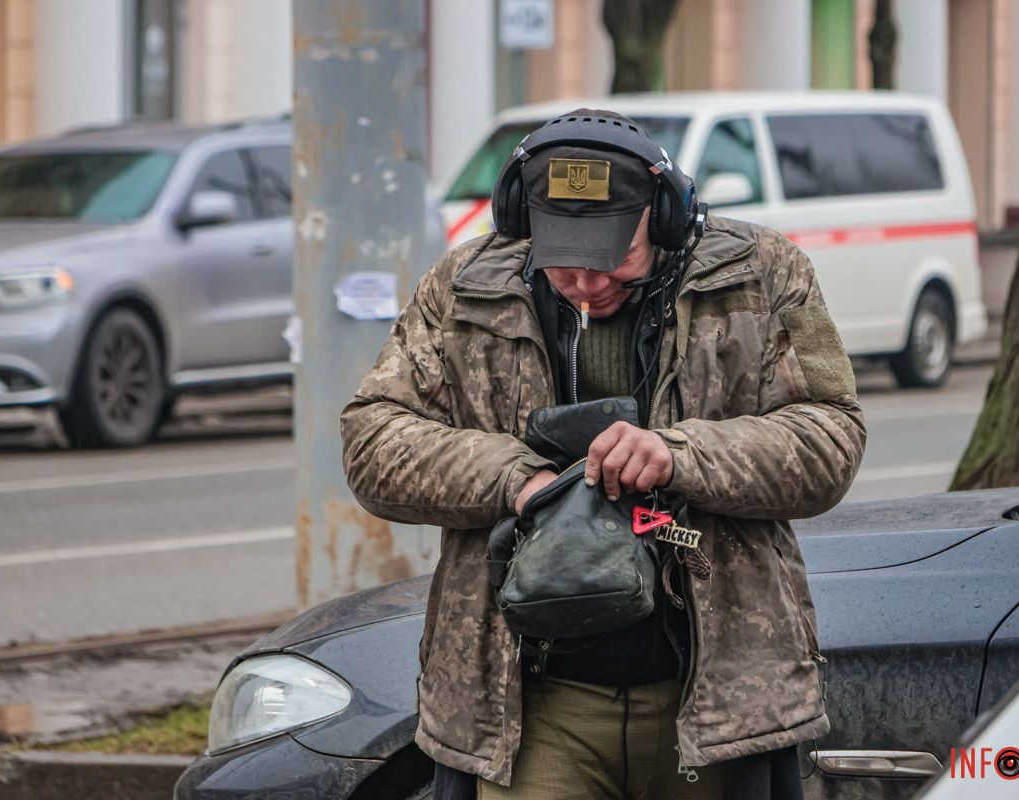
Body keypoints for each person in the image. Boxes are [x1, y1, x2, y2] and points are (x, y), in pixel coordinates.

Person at [341, 109, 866, 800]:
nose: (586, 283)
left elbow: (831, 436)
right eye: (564, 260)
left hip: (715, 701)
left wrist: (679, 454)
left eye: (612, 257)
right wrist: (517, 480)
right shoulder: (462, 289)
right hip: (531, 708)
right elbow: (372, 439)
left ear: (668, 217)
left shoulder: (763, 275)